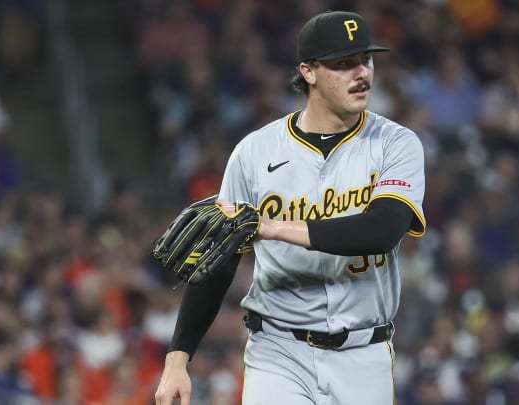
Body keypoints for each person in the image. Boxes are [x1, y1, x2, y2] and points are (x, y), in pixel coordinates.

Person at [154, 10, 426, 405]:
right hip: (279, 351)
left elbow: (382, 231)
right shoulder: (255, 152)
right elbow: (217, 262)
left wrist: (272, 227)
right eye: (343, 64)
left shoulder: (395, 144)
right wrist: (177, 360)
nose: (361, 73)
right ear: (309, 72)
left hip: (363, 355)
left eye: (365, 60)